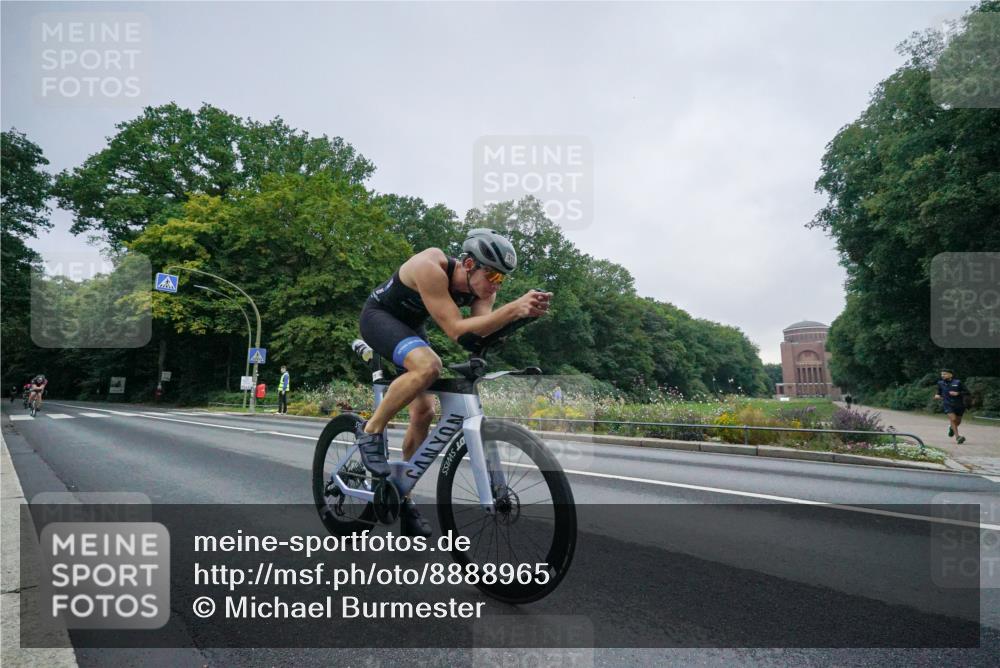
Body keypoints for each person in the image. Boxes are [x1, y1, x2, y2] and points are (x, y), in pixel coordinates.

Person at [357, 228, 551, 536]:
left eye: (503, 279)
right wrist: (513, 308)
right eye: (494, 276)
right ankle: (370, 431)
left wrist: (520, 318)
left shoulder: (484, 291)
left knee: (424, 412)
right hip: (379, 318)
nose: (496, 285)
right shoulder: (430, 266)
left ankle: (403, 495)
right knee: (430, 366)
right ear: (470, 264)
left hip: (411, 328)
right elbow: (457, 329)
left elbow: (477, 334)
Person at [934, 368, 968, 445]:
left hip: (959, 405)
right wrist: (937, 395)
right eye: (942, 374)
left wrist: (958, 393)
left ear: (950, 375)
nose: (942, 375)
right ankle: (958, 437)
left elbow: (967, 392)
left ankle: (951, 428)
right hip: (948, 405)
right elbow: (939, 392)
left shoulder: (958, 382)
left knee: (958, 422)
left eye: (944, 374)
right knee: (953, 419)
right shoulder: (940, 383)